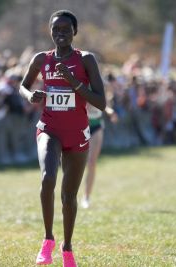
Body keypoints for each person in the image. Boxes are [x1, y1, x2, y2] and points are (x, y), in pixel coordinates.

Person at [19, 10, 106, 266]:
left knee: (69, 197)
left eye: (66, 30)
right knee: (48, 178)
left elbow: (101, 102)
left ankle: (67, 248)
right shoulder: (41, 59)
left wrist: (74, 83)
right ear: (50, 31)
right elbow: (23, 85)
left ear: (74, 32)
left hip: (77, 134)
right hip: (49, 128)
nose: (60, 34)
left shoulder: (86, 60)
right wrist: (30, 95)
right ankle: (48, 240)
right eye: (56, 30)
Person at [81, 103, 117, 209]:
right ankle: (69, 195)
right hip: (80, 125)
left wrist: (109, 111)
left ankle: (86, 197)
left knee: (91, 163)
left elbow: (102, 101)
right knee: (76, 162)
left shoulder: (99, 85)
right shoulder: (78, 85)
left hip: (96, 125)